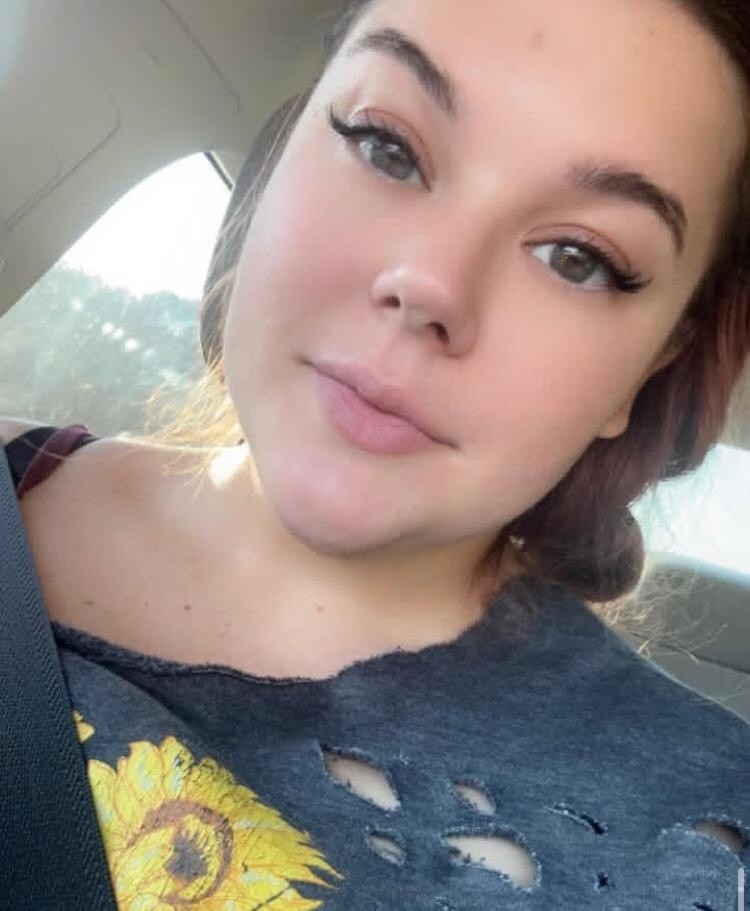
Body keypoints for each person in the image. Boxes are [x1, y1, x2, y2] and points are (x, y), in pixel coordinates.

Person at [2, 0, 750, 907]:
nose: (431, 283)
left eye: (576, 258)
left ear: (650, 366)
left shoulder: (710, 837)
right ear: (281, 153)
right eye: (386, 147)